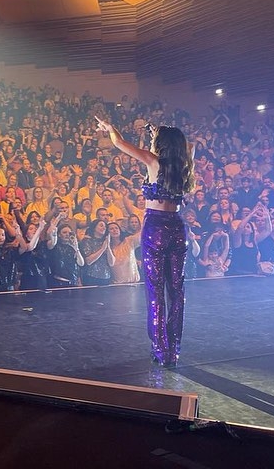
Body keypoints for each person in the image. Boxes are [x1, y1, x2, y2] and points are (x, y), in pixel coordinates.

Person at [96, 118, 194, 367]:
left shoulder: (153, 162)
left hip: (156, 227)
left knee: (155, 290)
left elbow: (119, 143)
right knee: (176, 290)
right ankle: (174, 349)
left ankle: (160, 349)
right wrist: (161, 134)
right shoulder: (184, 164)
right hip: (177, 226)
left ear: (160, 144)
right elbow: (188, 145)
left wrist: (110, 129)